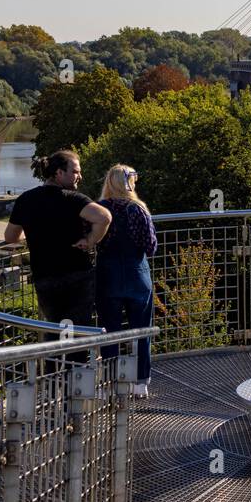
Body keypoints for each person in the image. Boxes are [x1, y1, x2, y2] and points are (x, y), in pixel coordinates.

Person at [4, 150, 112, 341]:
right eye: (76, 171)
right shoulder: (73, 199)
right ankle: (76, 368)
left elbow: (10, 237)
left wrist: (33, 235)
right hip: (78, 275)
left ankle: (55, 368)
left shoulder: (26, 200)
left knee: (53, 328)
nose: (80, 176)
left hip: (44, 276)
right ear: (59, 173)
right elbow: (104, 217)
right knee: (78, 331)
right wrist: (90, 240)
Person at [95, 164, 158, 398]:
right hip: (137, 275)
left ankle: (111, 383)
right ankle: (140, 382)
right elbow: (150, 247)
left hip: (107, 276)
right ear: (129, 182)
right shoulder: (138, 210)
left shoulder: (99, 209)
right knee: (142, 330)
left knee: (109, 331)